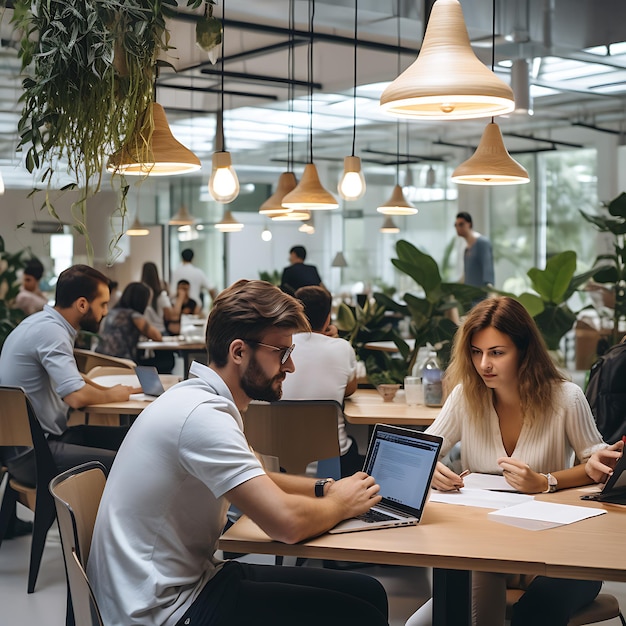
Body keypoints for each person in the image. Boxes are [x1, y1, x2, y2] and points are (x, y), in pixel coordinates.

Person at [88, 279, 389, 626]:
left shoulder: (199, 399)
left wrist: (325, 488)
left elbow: (256, 478)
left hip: (182, 585)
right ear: (238, 352)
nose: (290, 367)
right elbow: (286, 525)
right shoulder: (202, 417)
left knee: (367, 592)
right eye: (282, 353)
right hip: (162, 611)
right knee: (360, 615)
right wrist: (344, 503)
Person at [405, 296, 607, 626]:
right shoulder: (465, 396)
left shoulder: (566, 397)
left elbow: (598, 467)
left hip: (558, 556)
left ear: (525, 351)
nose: (484, 364)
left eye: (497, 353)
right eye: (476, 352)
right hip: (487, 550)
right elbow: (418, 451)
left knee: (533, 615)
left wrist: (546, 482)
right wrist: (429, 469)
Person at [0, 264, 138, 479]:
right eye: (102, 304)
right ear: (82, 304)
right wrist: (113, 394)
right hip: (34, 454)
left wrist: (115, 389)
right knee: (128, 462)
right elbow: (76, 396)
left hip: (35, 443)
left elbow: (74, 379)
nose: (105, 312)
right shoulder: (51, 332)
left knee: (133, 436)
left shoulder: (40, 323)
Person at [282, 285, 362, 476]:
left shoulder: (279, 347)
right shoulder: (343, 348)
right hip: (330, 464)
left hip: (277, 464)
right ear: (328, 317)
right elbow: (350, 389)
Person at [95, 281, 163, 362]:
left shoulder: (111, 312)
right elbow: (157, 336)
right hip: (122, 363)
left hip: (100, 360)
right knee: (164, 361)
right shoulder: (134, 316)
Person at [139, 262, 176, 373]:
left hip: (143, 334)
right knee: (166, 365)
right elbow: (169, 315)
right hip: (160, 333)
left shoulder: (141, 294)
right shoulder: (161, 296)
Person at [454, 211, 494, 290]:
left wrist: (490, 291)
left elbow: (487, 269)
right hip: (468, 295)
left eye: (461, 224)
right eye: (456, 225)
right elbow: (467, 274)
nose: (458, 228)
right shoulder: (466, 249)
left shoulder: (482, 243)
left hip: (481, 295)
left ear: (469, 224)